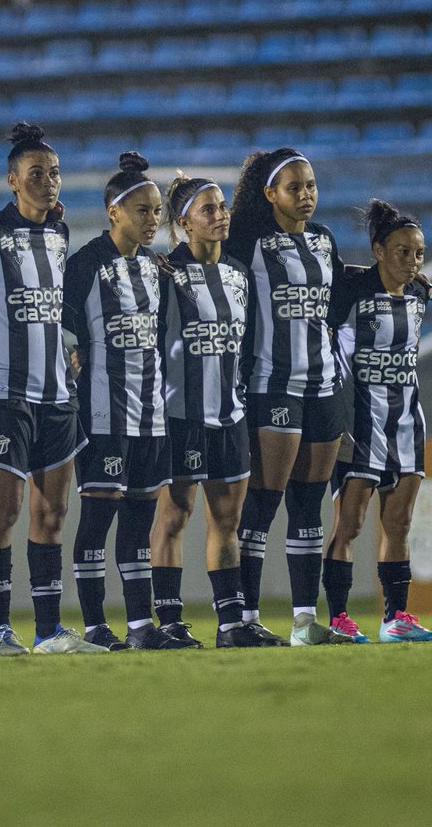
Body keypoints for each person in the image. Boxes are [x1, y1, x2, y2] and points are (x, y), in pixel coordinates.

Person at [0, 122, 105, 654]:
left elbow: (57, 307)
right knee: (4, 511)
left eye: (55, 173)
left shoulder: (60, 233)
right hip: (6, 395)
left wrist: (73, 347)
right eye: (36, 174)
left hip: (58, 396)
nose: (49, 183)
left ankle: (48, 630)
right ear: (11, 180)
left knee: (53, 514)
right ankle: (0, 628)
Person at [227, 147, 353, 646]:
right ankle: (247, 616)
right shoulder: (250, 240)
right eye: (294, 187)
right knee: (262, 502)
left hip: (323, 385)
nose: (306, 196)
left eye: (311, 186)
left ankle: (304, 620)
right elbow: (210, 265)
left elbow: (339, 291)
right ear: (269, 193)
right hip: (272, 385)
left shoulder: (323, 240)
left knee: (308, 504)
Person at [151, 174, 282, 647]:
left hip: (230, 413)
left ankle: (231, 623)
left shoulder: (237, 274)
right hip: (180, 416)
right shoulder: (164, 273)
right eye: (208, 209)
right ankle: (169, 622)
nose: (221, 215)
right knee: (173, 517)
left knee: (226, 521)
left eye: (222, 206)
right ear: (183, 222)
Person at [64, 153, 183, 651]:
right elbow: (61, 334)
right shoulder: (84, 265)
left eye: (157, 211)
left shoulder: (157, 271)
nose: (153, 219)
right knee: (97, 519)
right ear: (113, 211)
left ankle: (139, 626)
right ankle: (95, 626)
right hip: (102, 412)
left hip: (151, 416)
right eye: (142, 210)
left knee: (138, 524)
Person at [322, 199, 432, 643]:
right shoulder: (350, 288)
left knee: (400, 524)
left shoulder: (421, 292)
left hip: (408, 420)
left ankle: (396, 619)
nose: (412, 261)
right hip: (359, 422)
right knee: (349, 524)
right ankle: (339, 617)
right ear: (377, 251)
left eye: (419, 252)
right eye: (402, 251)